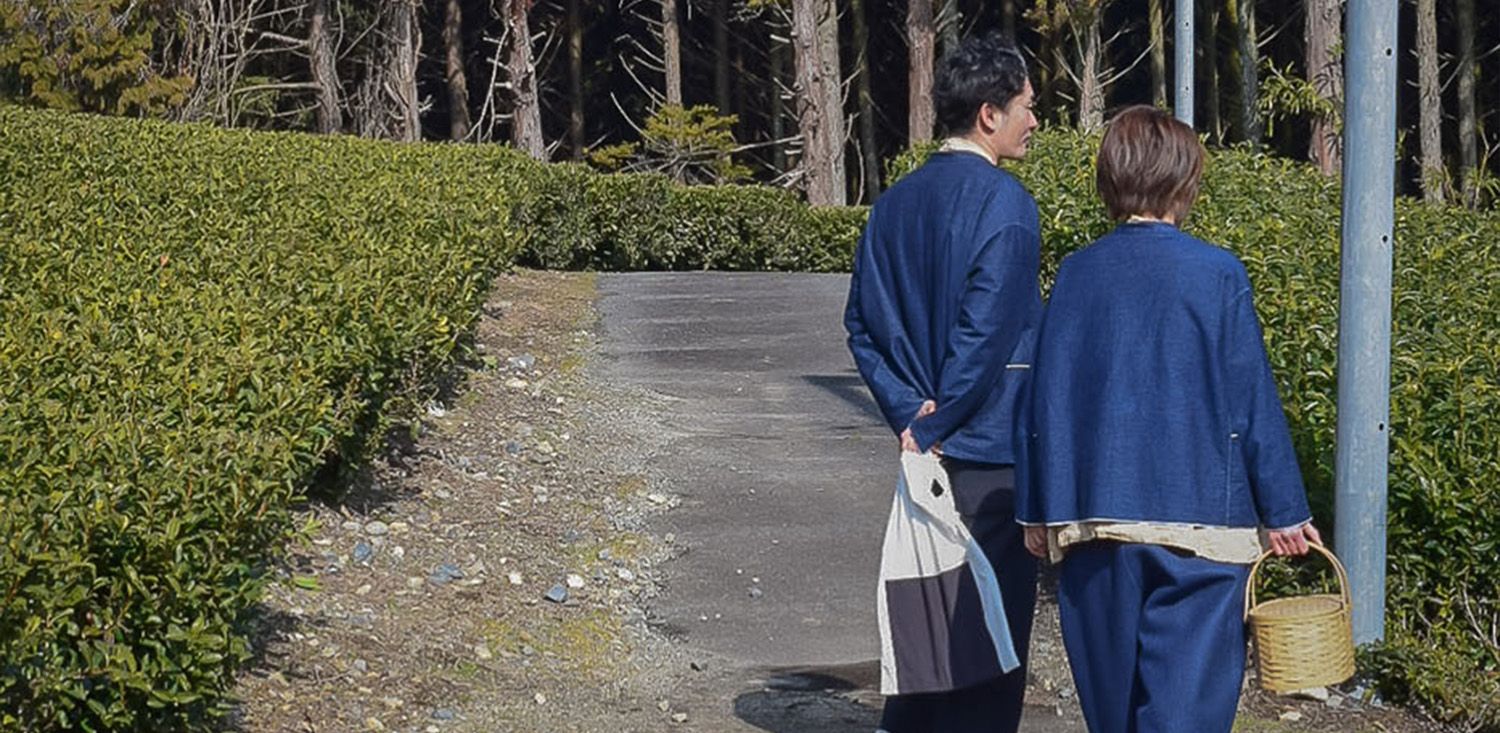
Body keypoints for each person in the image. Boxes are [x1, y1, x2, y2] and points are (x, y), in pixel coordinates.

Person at [1016, 105, 1322, 733]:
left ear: (1109, 181)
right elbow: (1251, 398)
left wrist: (1035, 508)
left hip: (1093, 520)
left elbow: (1043, 396)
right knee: (1187, 713)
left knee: (1113, 714)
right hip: (1203, 525)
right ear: (1186, 184)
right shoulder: (1217, 274)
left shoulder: (1076, 273)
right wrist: (1285, 511)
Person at [844, 33, 1041, 733]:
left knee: (924, 627)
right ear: (989, 114)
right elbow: (985, 338)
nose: (1034, 120)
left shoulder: (893, 202)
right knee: (990, 639)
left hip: (919, 450)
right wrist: (934, 420)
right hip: (987, 453)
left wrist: (905, 411)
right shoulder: (1008, 207)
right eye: (1025, 105)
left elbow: (861, 323)